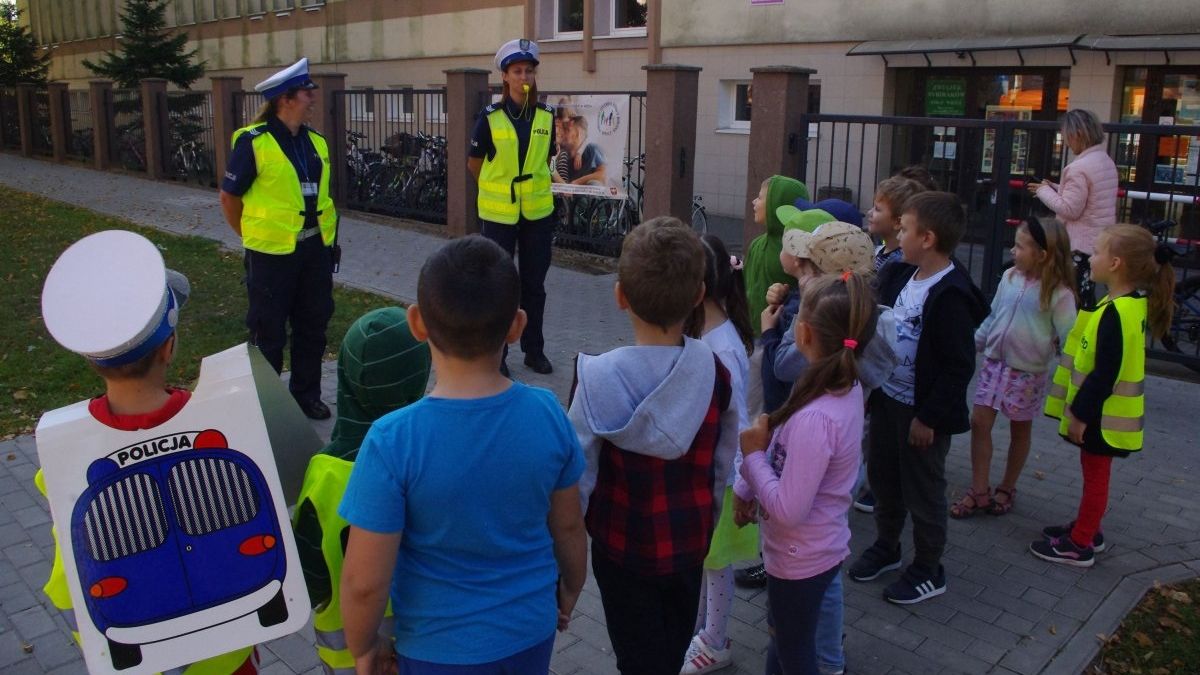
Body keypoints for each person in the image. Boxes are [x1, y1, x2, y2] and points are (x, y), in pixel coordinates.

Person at [338, 236, 587, 673]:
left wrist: (363, 646)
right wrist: (572, 585)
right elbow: (568, 525)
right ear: (517, 326)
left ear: (417, 324)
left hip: (436, 649)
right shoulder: (547, 413)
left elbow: (364, 583)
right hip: (530, 632)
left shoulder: (392, 442)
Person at [36, 230, 260, 675]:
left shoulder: (63, 453)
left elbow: (67, 586)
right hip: (228, 663)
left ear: (91, 358)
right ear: (169, 347)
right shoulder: (226, 424)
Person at [569, 217, 738, 674]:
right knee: (672, 646)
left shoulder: (595, 379)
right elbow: (722, 462)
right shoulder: (715, 372)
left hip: (620, 550)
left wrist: (565, 558)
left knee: (636, 656)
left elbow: (577, 476)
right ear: (699, 295)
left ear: (620, 296)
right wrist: (708, 523)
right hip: (687, 543)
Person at [848, 192, 989, 604]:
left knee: (923, 490)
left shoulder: (950, 295)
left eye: (905, 228)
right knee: (884, 479)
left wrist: (928, 418)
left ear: (927, 238)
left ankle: (928, 567)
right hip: (888, 401)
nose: (899, 233)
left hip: (922, 416)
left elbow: (958, 366)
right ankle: (887, 545)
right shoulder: (900, 274)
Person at [733, 273, 877, 675]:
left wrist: (750, 459)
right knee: (783, 641)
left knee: (794, 652)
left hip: (800, 560)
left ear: (804, 332)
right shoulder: (835, 384)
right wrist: (746, 486)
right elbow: (779, 444)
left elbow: (788, 509)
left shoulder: (818, 417)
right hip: (810, 553)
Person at [292, 307, 431, 674]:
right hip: (431, 649)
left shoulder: (325, 474)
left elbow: (311, 578)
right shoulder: (435, 456)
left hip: (350, 660)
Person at [1034, 224, 1175, 567]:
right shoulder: (1125, 304)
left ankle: (1080, 543)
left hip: (1101, 417)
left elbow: (1105, 373)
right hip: (1104, 415)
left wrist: (1080, 415)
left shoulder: (1116, 312)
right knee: (1094, 473)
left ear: (1115, 264)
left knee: (1096, 477)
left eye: (1097, 252)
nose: (1091, 257)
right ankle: (1088, 526)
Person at [219, 57, 337, 421]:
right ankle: (267, 408)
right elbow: (229, 198)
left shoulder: (316, 142)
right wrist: (251, 236)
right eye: (306, 92)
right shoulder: (254, 142)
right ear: (285, 99)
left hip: (314, 250)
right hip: (271, 256)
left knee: (312, 326)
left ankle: (305, 396)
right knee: (268, 331)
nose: (312, 98)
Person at [950, 220, 1076, 518]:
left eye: (1020, 246)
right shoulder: (1009, 277)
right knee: (979, 422)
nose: (1013, 251)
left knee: (1020, 429)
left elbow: (1070, 339)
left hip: (1027, 373)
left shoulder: (1060, 294)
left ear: (1042, 254)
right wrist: (972, 345)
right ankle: (979, 489)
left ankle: (1007, 486)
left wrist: (1070, 380)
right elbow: (993, 316)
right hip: (994, 364)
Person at [679, 236, 758, 675]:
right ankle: (702, 630)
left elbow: (738, 418)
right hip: (713, 469)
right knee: (708, 559)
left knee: (717, 561)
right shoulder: (710, 334)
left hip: (724, 474)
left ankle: (715, 641)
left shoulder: (720, 346)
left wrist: (743, 479)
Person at [468, 38, 557, 376]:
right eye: (517, 71)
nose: (524, 77)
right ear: (505, 77)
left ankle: (534, 351)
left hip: (538, 214)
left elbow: (544, 160)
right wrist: (500, 189)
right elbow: (474, 163)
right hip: (499, 216)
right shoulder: (490, 117)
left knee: (534, 286)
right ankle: (498, 355)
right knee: (499, 286)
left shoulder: (546, 116)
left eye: (529, 71)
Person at [1028, 109, 1119, 257]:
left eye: (1066, 136)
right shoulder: (1106, 160)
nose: (1066, 143)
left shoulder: (1078, 168)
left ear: (1078, 134)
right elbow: (1090, 196)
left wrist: (1043, 191)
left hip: (1079, 245)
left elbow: (1069, 210)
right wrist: (1055, 188)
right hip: (1101, 240)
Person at [745, 176, 811, 338]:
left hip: (779, 334)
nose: (754, 201)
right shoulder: (756, 244)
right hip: (749, 329)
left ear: (776, 204)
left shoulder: (796, 251)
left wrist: (784, 295)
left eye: (760, 198)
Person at [867, 176, 925, 274]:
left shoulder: (900, 264)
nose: (869, 212)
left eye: (877, 209)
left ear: (898, 222)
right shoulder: (878, 251)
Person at [564, 114, 608, 186]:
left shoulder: (592, 148)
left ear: (577, 133)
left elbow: (602, 175)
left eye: (568, 130)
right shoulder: (565, 153)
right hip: (570, 191)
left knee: (594, 183)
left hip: (590, 191)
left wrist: (577, 182)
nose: (565, 134)